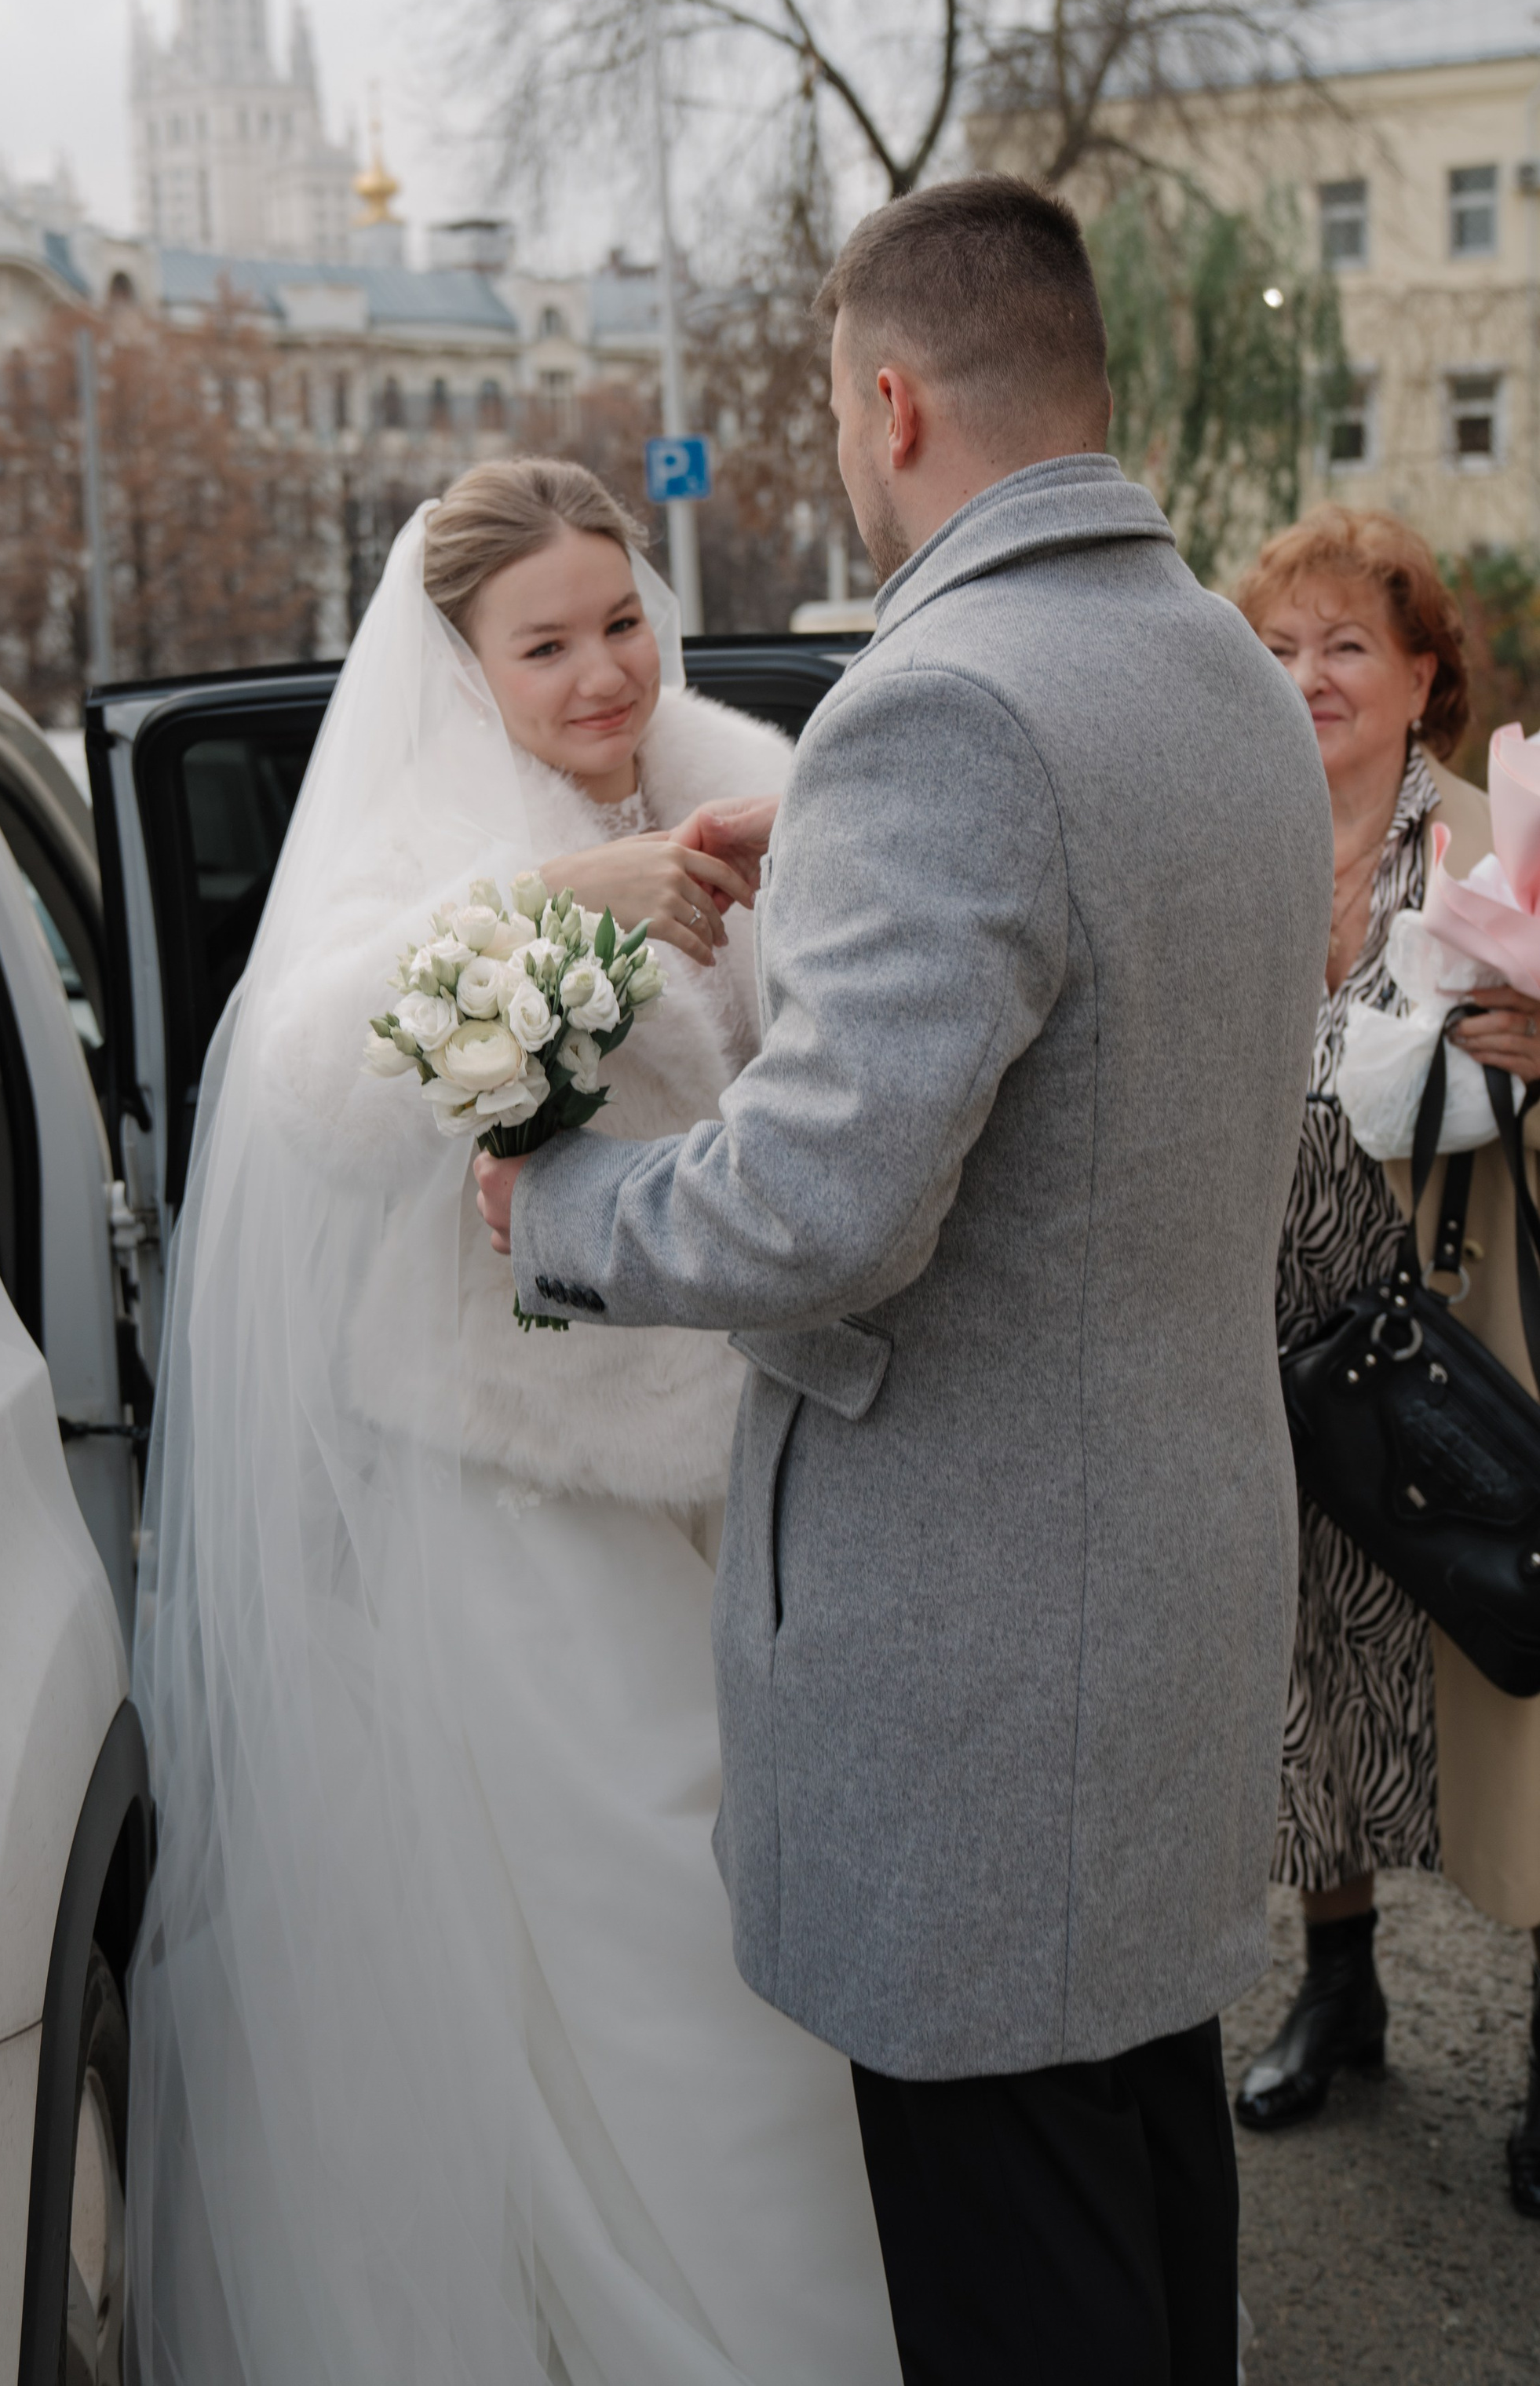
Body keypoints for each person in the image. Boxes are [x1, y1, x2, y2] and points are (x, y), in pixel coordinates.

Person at [476, 174, 1335, 2382]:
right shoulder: (1224, 662)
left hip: (978, 1652)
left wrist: (562, 1207)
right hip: (1161, 1582)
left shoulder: (936, 706)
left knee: (1016, 2260)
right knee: (1140, 2158)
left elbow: (822, 1213)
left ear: (892, 401)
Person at [126, 457, 902, 2385]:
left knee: (780, 1904)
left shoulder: (753, 776)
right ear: (465, 666)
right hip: (518, 1483)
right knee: (647, 1932)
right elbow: (308, 1083)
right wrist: (559, 895)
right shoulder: (423, 839)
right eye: (543, 643)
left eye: (619, 618)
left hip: (750, 1460)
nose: (600, 672)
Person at [1230, 503, 1540, 2216]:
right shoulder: (1229, 839)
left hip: (1460, 1334)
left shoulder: (1500, 843)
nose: (1306, 676)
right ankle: (1334, 1989)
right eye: (1276, 647)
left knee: (1507, 1663)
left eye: (1345, 642)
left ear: (1422, 671)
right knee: (1307, 1681)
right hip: (1265, 1339)